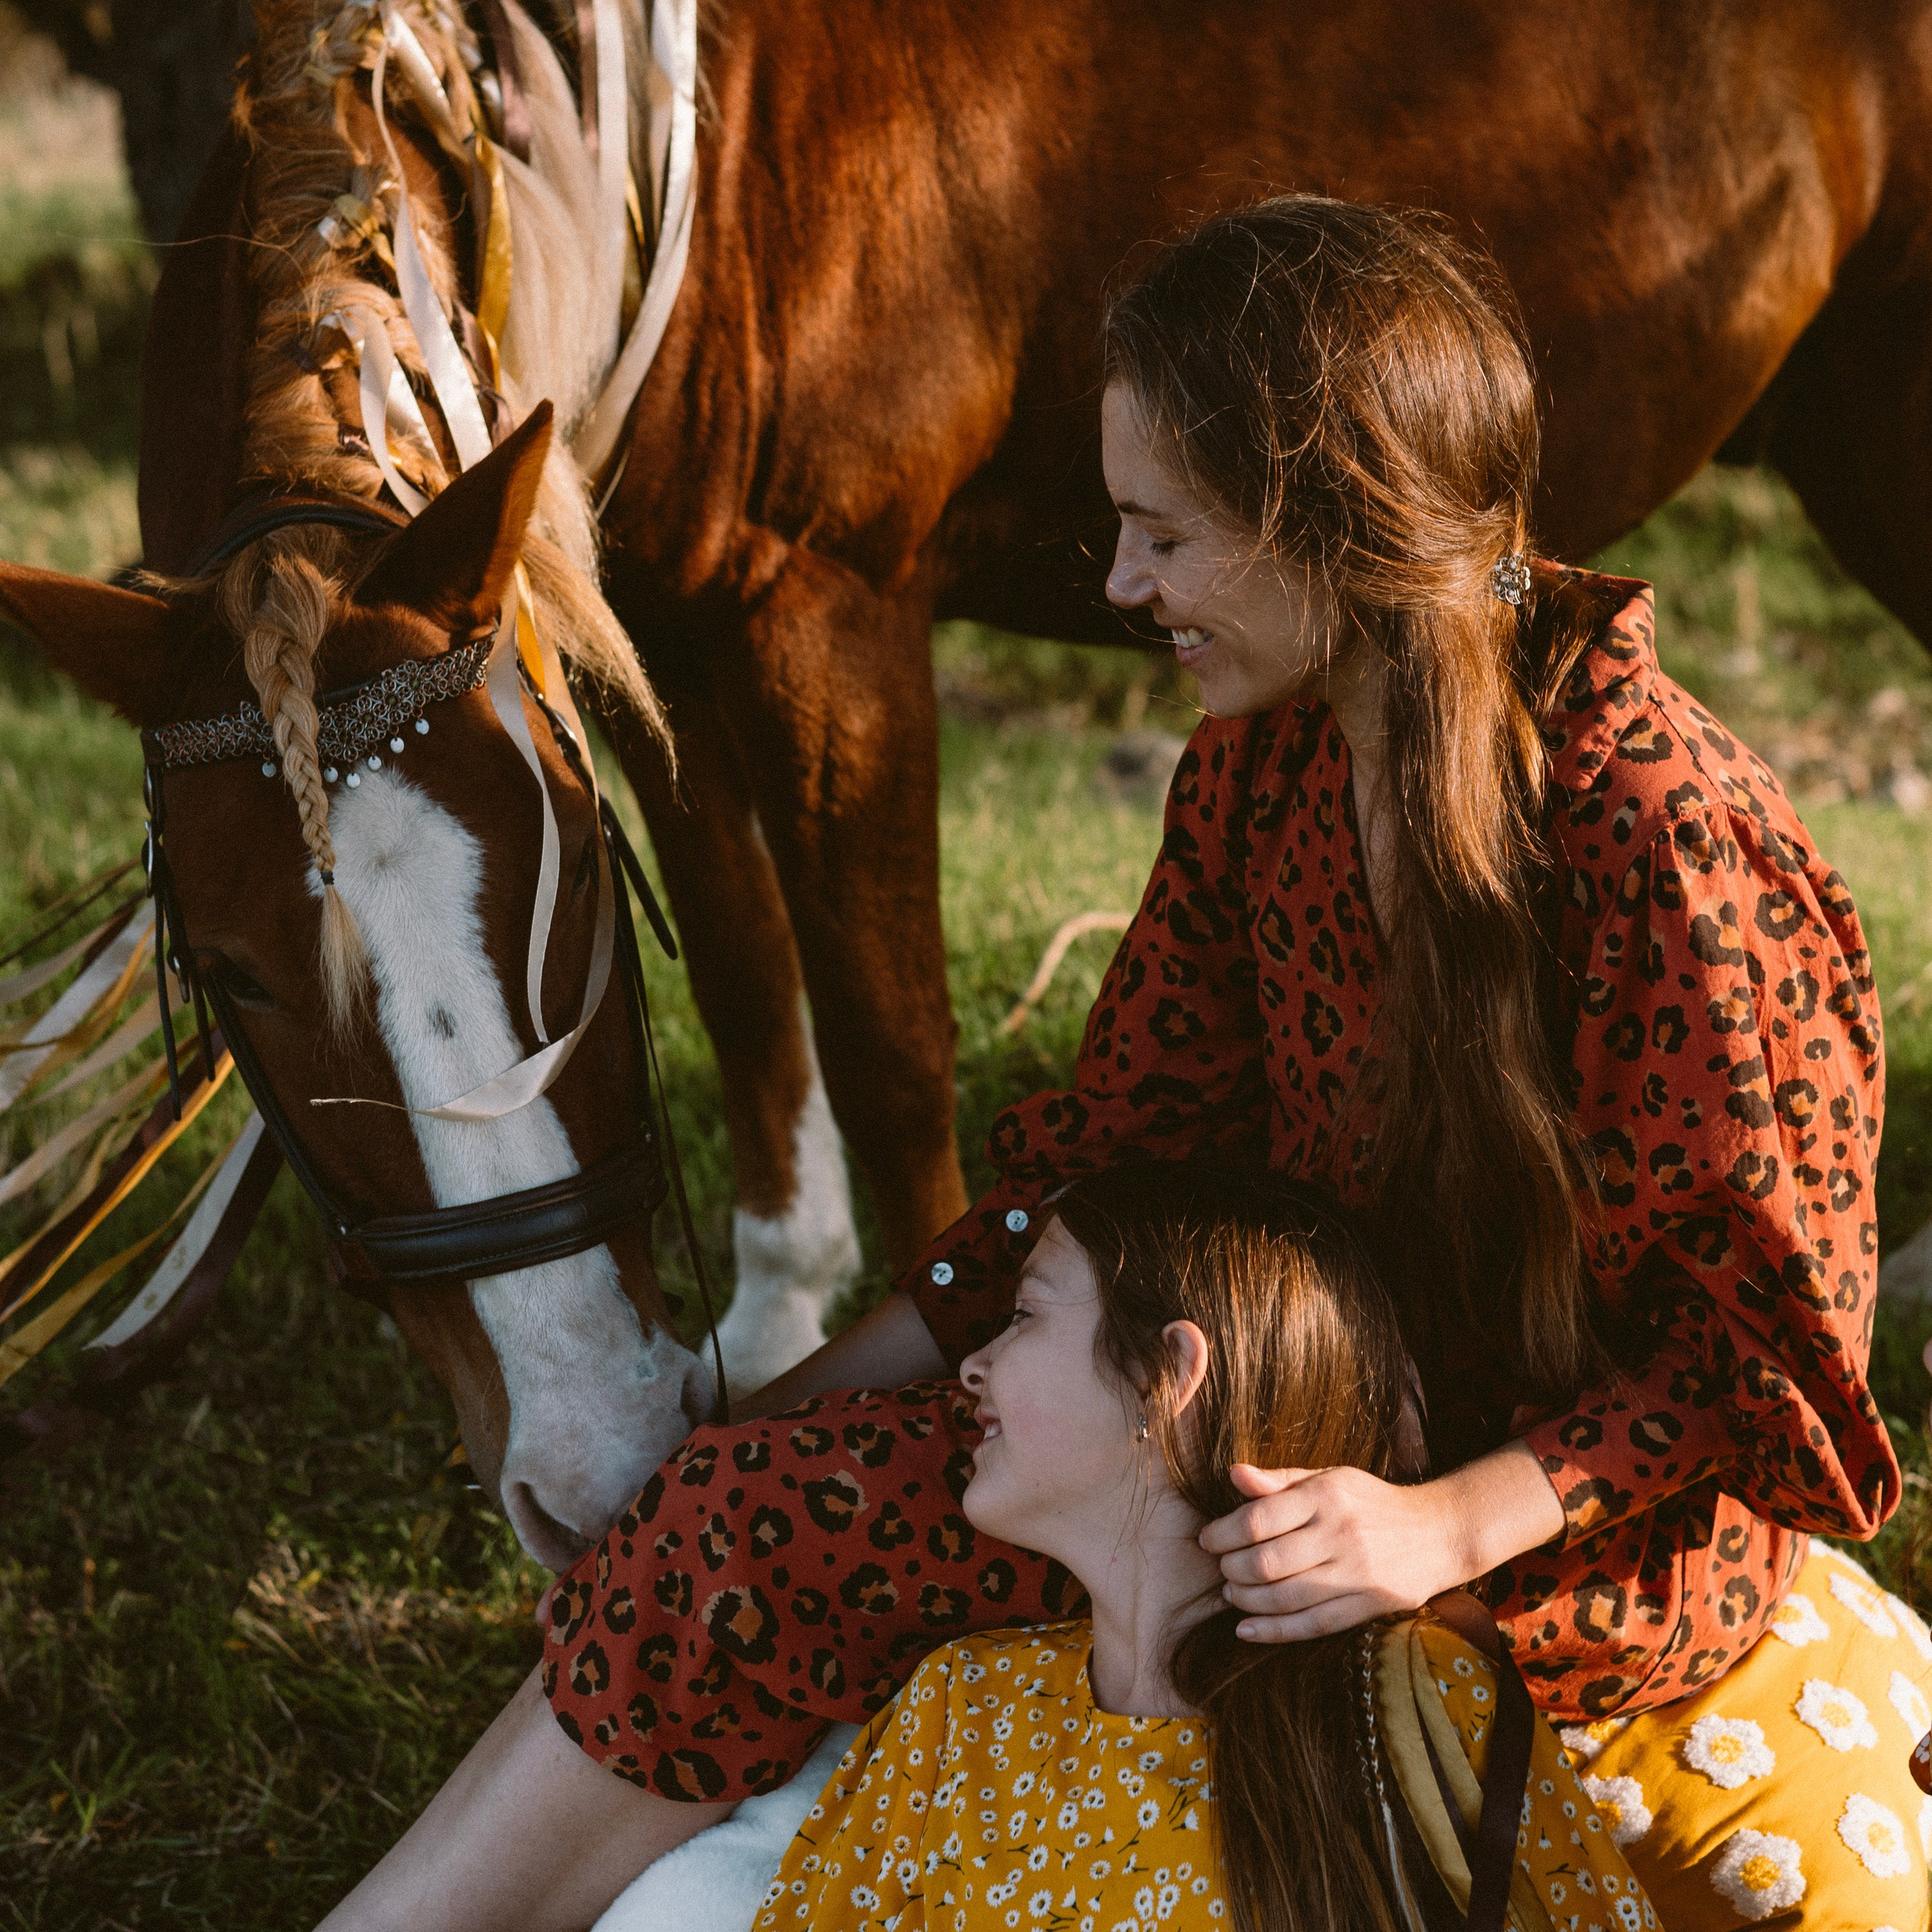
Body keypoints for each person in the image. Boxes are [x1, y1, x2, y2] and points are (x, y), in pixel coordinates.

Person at [319, 195, 1901, 1932]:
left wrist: (1435, 1525)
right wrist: (771, 1415)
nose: (1124, 586)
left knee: (785, 1539)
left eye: (1160, 533)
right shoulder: (1257, 774)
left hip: (1569, 1521)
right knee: (736, 1510)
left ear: (1332, 525)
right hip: (1281, 1410)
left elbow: (1760, 1357)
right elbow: (1100, 1166)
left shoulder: (1656, 833)